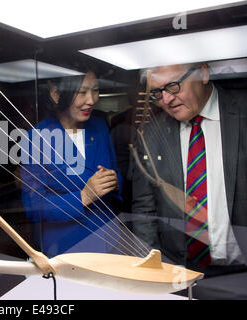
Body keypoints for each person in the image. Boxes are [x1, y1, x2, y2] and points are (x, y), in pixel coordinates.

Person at [131, 62, 247, 277]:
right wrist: (154, 270)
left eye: (173, 86)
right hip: (177, 271)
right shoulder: (151, 132)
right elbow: (144, 209)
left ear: (203, 73)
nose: (166, 100)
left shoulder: (242, 112)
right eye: (157, 93)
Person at [21, 70, 122, 257]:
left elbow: (116, 172)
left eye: (95, 90)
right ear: (56, 94)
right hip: (65, 247)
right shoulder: (36, 137)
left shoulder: (99, 127)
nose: (91, 100)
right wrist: (84, 196)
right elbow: (32, 207)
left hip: (109, 240)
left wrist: (114, 182)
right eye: (82, 92)